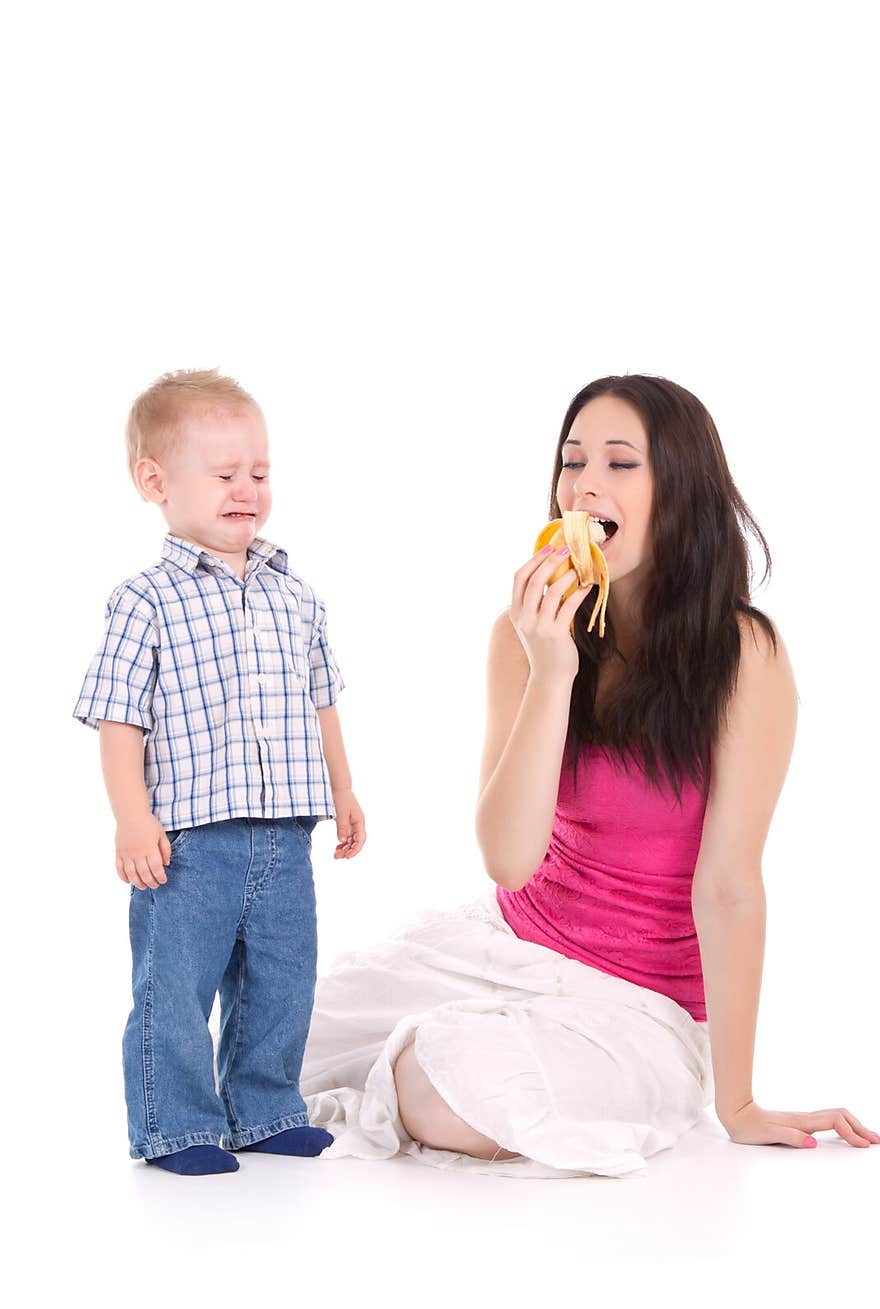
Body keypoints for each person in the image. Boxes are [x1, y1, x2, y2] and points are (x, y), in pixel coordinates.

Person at [301, 373, 878, 1177]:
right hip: (507, 943)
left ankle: (470, 1055)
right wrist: (552, 671)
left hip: (641, 1007)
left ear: (681, 491)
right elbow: (508, 860)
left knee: (443, 1080)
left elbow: (730, 887)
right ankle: (467, 1035)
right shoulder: (525, 635)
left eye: (620, 464)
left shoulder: (744, 654)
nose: (585, 486)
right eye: (572, 462)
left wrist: (738, 1103)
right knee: (278, 1037)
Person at [74, 368, 365, 1175]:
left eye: (260, 473)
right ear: (156, 482)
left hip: (284, 834)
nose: (248, 489)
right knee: (175, 990)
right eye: (226, 473)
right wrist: (132, 818)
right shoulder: (145, 600)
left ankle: (264, 1108)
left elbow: (321, 700)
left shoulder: (296, 595)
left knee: (281, 980)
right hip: (189, 841)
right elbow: (119, 718)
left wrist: (342, 791)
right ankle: (177, 1126)